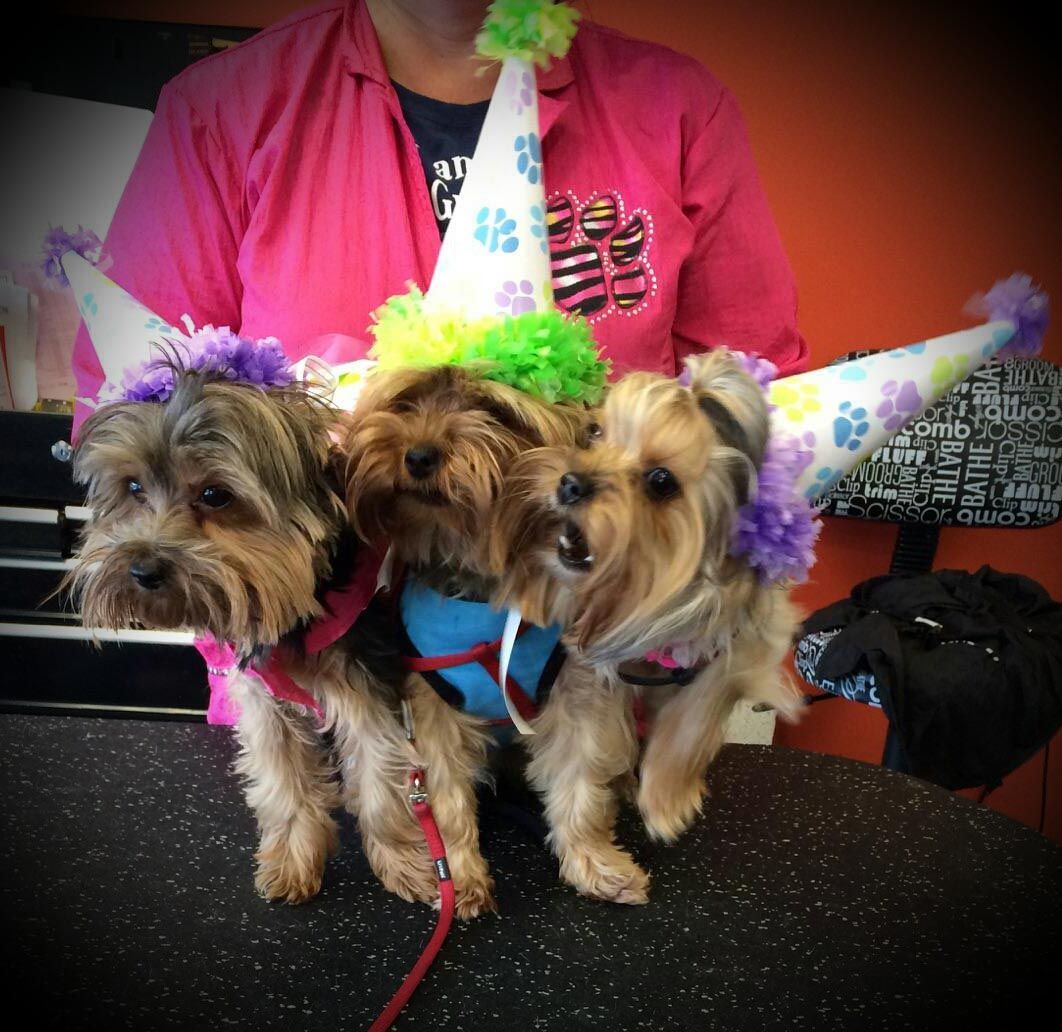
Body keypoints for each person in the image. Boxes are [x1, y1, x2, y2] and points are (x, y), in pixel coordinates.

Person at [71, 0, 808, 427]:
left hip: (601, 665)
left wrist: (659, 642)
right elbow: (131, 413)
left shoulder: (676, 110)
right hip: (311, 669)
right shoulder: (221, 110)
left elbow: (752, 411)